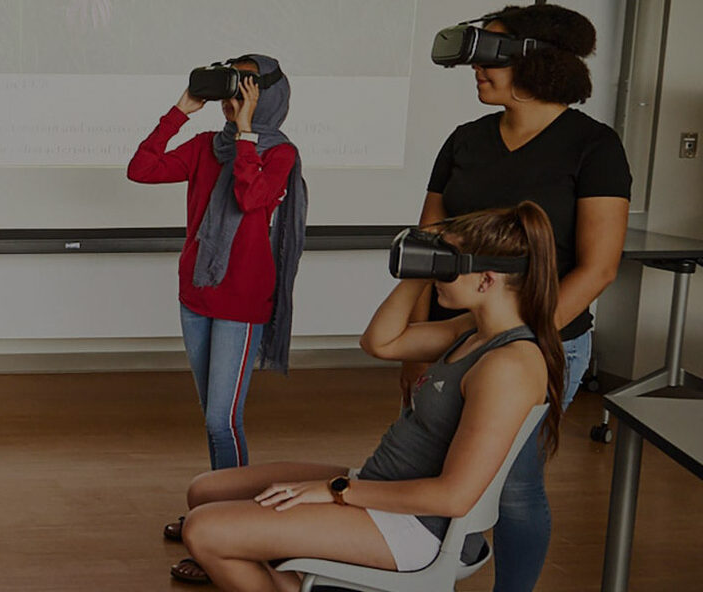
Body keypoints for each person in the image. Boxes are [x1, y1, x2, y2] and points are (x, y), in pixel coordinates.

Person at [167, 203, 565, 590]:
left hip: (415, 527)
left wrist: (336, 492)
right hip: (380, 484)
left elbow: (454, 496)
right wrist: (419, 272)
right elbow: (381, 342)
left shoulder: (508, 365)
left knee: (204, 531)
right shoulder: (473, 331)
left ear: (486, 279)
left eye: (447, 263)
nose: (437, 271)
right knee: (205, 491)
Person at [408, 5, 631, 589]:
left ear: (538, 62)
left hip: (543, 344)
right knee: (438, 466)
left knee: (514, 484)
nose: (476, 71)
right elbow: (427, 252)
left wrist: (517, 343)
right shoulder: (463, 140)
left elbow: (599, 267)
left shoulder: (594, 146)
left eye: (489, 58)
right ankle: (433, 571)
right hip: (455, 340)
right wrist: (415, 349)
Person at [128, 54, 308, 541]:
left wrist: (246, 134)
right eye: (231, 89)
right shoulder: (207, 145)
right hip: (196, 294)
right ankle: (221, 511)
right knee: (215, 419)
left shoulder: (280, 154)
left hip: (243, 301)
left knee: (220, 418)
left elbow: (252, 199)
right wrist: (181, 109)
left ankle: (230, 521)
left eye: (245, 89)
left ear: (267, 95)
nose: (233, 100)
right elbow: (141, 169)